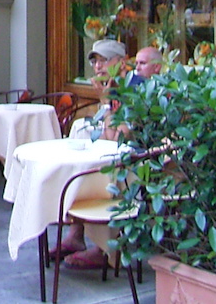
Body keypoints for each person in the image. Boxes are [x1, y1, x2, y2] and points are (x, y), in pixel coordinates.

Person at [54, 38, 129, 267]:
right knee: (80, 167)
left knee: (94, 171)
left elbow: (114, 140)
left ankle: (104, 249)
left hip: (134, 168)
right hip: (115, 158)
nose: (98, 67)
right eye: (95, 61)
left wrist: (105, 102)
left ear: (122, 64)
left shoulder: (132, 91)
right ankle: (76, 235)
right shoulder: (111, 88)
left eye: (104, 60)